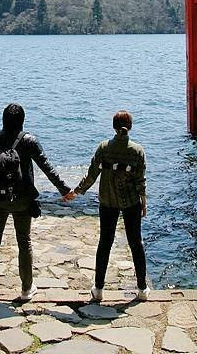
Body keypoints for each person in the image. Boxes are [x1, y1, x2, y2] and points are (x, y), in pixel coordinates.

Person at [0, 102, 74, 300]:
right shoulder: (29, 140)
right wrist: (64, 190)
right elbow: (46, 166)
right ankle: (26, 289)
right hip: (22, 200)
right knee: (24, 241)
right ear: (22, 121)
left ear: (3, 119)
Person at [71, 109, 150, 301]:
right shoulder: (137, 151)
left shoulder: (103, 148)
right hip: (131, 201)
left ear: (114, 127)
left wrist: (77, 191)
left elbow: (91, 174)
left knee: (105, 243)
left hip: (107, 200)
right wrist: (143, 202)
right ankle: (142, 289)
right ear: (130, 127)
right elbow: (141, 180)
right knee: (136, 243)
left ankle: (98, 289)